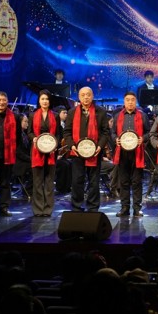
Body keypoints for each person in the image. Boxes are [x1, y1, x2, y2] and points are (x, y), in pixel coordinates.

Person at [64, 86, 110, 212]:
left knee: (94, 181)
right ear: (79, 97)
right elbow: (67, 132)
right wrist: (72, 146)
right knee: (77, 180)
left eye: (88, 95)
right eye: (83, 95)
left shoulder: (100, 112)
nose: (86, 97)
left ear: (92, 96)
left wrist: (99, 146)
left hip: (95, 152)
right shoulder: (72, 112)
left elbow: (105, 132)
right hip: (77, 152)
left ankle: (93, 207)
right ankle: (76, 206)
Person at [111, 91, 151, 217]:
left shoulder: (142, 115)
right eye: (127, 100)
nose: (130, 102)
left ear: (136, 101)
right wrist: (115, 139)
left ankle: (137, 208)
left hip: (137, 153)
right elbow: (112, 132)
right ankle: (124, 208)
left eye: (132, 100)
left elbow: (149, 132)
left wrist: (143, 138)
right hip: (122, 153)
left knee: (137, 181)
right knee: (123, 182)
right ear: (124, 101)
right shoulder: (118, 116)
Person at [28, 89, 58, 217]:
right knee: (37, 181)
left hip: (51, 152)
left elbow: (58, 133)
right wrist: (34, 138)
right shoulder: (32, 115)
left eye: (47, 99)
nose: (45, 101)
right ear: (39, 101)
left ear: (50, 101)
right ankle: (38, 209)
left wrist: (55, 144)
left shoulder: (55, 116)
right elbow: (29, 132)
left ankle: (47, 209)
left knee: (49, 181)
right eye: (42, 99)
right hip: (37, 151)